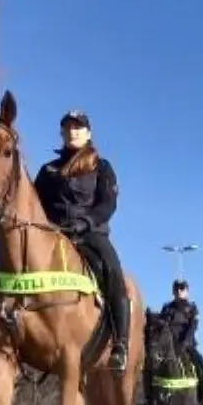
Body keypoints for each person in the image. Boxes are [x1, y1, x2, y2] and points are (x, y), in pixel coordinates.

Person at [33, 109, 130, 372]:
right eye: (67, 127)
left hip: (90, 234)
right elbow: (33, 203)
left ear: (88, 133)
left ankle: (121, 344)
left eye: (78, 127)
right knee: (10, 263)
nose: (72, 131)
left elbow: (108, 204)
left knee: (113, 273)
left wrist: (85, 222)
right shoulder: (48, 170)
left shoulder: (101, 166)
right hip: (52, 234)